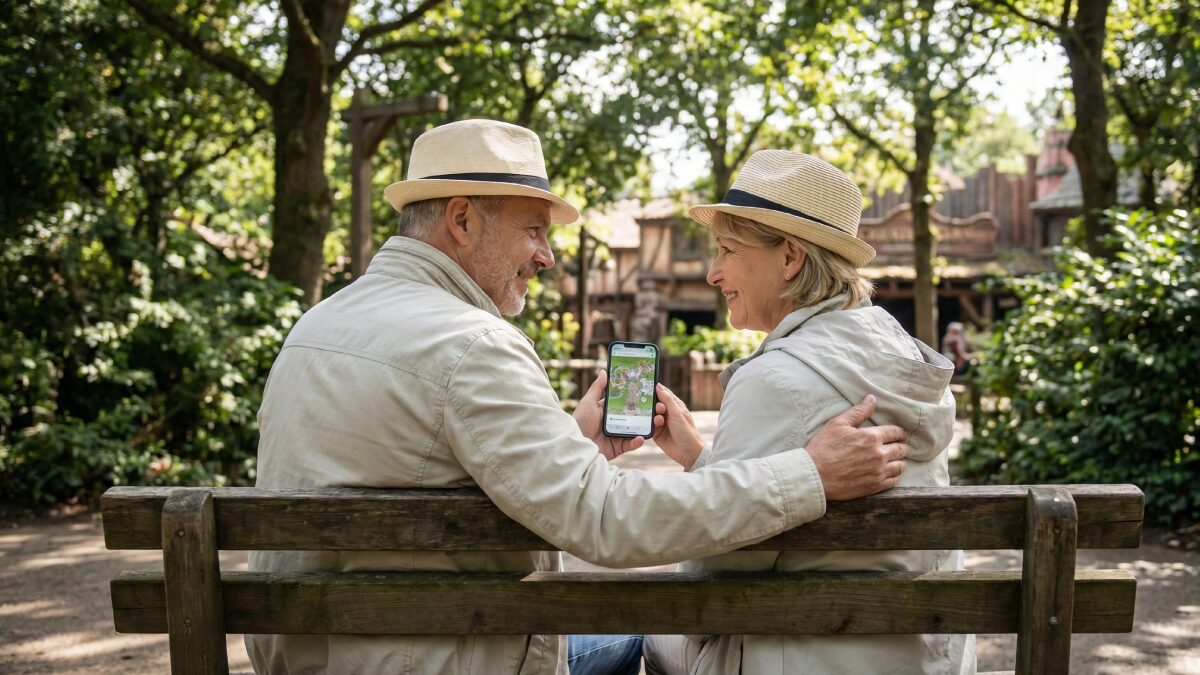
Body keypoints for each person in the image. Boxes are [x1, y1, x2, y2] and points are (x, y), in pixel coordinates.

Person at [245, 120, 912, 675]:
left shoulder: (319, 322)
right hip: (428, 656)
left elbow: (413, 461)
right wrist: (810, 474)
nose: (547, 257)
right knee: (626, 639)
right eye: (535, 229)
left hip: (315, 650)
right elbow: (607, 522)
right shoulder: (470, 342)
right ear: (461, 220)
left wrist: (570, 442)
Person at [643, 150, 976, 675]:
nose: (713, 272)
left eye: (727, 249)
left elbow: (713, 572)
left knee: (647, 643)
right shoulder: (903, 356)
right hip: (920, 656)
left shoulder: (774, 379)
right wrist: (697, 456)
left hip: (800, 659)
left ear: (791, 257)